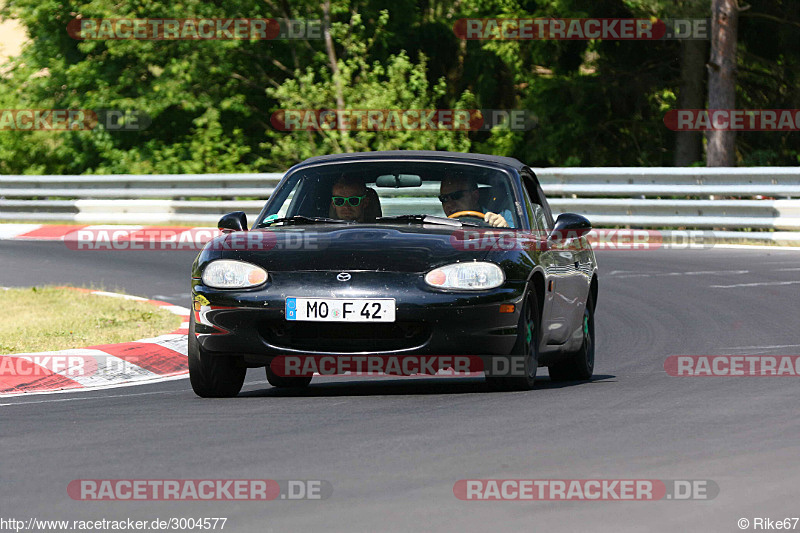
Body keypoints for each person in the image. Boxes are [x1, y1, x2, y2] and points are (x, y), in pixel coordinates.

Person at [438, 175, 513, 228]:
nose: (449, 204)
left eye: (456, 196)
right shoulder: (440, 229)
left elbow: (518, 241)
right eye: (444, 198)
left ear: (474, 196)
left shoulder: (503, 217)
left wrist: (505, 229)